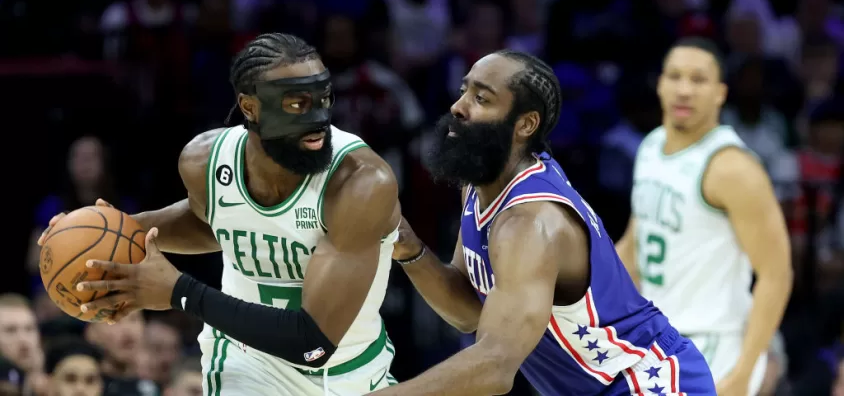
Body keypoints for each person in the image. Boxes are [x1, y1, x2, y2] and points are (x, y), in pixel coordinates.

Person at [38, 33, 400, 395]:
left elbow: (313, 344)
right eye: (297, 104)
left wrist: (179, 291)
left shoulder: (361, 182)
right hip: (245, 362)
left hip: (348, 370)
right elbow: (211, 223)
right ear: (250, 107)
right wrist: (99, 231)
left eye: (324, 99)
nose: (318, 117)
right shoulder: (205, 162)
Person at [376, 50, 716, 395]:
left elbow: (494, 366)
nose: (458, 107)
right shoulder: (481, 186)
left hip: (647, 382)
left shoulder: (530, 224)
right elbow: (472, 313)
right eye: (464, 91)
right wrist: (410, 249)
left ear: (525, 124)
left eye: (481, 98)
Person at [615, 37, 793, 396]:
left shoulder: (733, 168)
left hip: (714, 349)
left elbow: (776, 275)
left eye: (698, 80)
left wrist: (743, 374)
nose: (684, 90)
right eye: (675, 76)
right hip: (653, 344)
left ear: (720, 93)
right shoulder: (650, 146)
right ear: (660, 84)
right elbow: (633, 247)